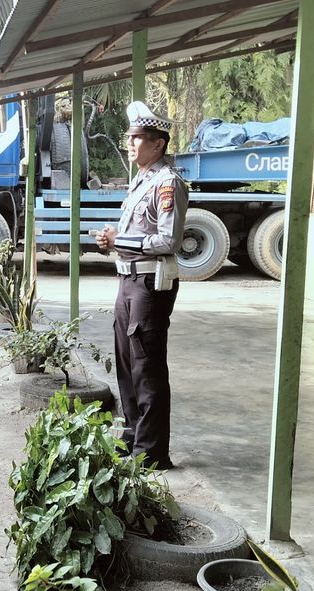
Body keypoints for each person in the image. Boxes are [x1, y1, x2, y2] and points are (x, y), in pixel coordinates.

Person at [94, 101, 188, 471]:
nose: (129, 145)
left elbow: (169, 239)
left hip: (150, 284)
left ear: (158, 143)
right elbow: (135, 234)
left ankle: (151, 453)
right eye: (129, 138)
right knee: (126, 363)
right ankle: (132, 439)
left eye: (136, 139)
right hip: (128, 279)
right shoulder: (142, 181)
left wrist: (121, 240)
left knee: (146, 367)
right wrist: (110, 243)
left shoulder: (168, 183)